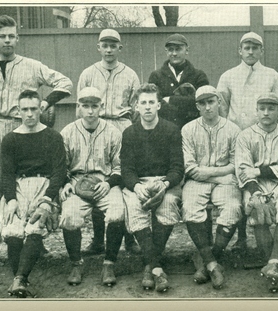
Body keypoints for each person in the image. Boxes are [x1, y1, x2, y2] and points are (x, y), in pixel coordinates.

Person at [0, 15, 72, 265]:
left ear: (17, 38)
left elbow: (64, 82)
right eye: (2, 36)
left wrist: (46, 101)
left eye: (11, 36)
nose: (7, 40)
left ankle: (34, 241)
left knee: (28, 183)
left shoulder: (31, 65)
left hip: (22, 127)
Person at [217, 31, 278, 251]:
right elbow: (223, 108)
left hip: (263, 139)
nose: (251, 51)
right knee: (240, 183)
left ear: (261, 51)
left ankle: (264, 236)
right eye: (247, 47)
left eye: (255, 47)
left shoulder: (272, 75)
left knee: (260, 183)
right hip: (237, 138)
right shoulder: (228, 76)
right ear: (240, 50)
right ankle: (241, 237)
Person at [77, 28, 140, 255]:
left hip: (122, 125)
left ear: (119, 48)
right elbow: (81, 108)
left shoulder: (130, 74)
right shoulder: (88, 74)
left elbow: (136, 109)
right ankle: (98, 240)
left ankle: (130, 238)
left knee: (123, 180)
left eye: (113, 45)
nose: (109, 49)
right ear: (99, 47)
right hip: (97, 127)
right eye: (105, 45)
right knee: (98, 178)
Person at [0, 90, 67, 298]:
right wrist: (11, 200)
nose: (30, 114)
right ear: (18, 111)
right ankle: (19, 279)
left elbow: (59, 172)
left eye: (33, 109)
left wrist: (48, 200)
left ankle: (19, 280)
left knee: (35, 228)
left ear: (41, 109)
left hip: (45, 189)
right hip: (18, 189)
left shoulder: (53, 137)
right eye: (25, 109)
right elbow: (7, 174)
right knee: (13, 230)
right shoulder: (10, 139)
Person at [59, 87, 127, 287]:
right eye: (85, 106)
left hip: (105, 182)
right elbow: (60, 166)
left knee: (117, 211)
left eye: (94, 106)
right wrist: (65, 184)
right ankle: (76, 263)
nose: (90, 111)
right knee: (70, 214)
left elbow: (119, 167)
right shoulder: (68, 132)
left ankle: (109, 263)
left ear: (101, 107)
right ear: (78, 107)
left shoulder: (114, 132)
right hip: (76, 183)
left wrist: (109, 183)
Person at [121, 83, 184, 292]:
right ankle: (156, 268)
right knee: (136, 208)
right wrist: (136, 187)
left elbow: (177, 168)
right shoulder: (129, 133)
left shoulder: (171, 130)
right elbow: (127, 170)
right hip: (139, 183)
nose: (147, 107)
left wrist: (165, 184)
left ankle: (149, 265)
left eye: (151, 102)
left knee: (167, 206)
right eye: (143, 103)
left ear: (158, 105)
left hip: (164, 182)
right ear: (136, 107)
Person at [235, 92, 278, 293]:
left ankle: (273, 262)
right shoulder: (245, 135)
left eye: (271, 108)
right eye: (262, 108)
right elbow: (243, 169)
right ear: (256, 111)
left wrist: (259, 169)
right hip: (254, 184)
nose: (266, 112)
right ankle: (275, 266)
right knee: (257, 210)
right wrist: (255, 194)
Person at [181, 85, 242, 290]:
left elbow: (236, 164)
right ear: (197, 106)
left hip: (224, 180)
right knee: (190, 207)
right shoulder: (188, 129)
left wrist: (209, 172)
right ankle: (214, 265)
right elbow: (190, 167)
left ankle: (208, 258)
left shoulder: (233, 129)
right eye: (202, 103)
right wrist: (210, 173)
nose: (207, 107)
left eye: (211, 102)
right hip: (198, 181)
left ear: (219, 102)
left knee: (233, 207)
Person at [148, 33, 209, 129]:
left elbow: (202, 101)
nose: (174, 53)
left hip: (192, 128)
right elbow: (154, 102)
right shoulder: (156, 76)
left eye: (178, 49)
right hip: (164, 129)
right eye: (170, 50)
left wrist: (170, 100)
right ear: (166, 51)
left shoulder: (198, 75)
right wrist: (186, 103)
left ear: (187, 50)